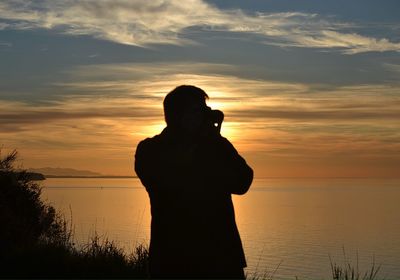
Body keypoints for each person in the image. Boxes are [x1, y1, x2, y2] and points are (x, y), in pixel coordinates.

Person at [134, 85, 253, 279]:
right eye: (198, 110)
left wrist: (216, 139)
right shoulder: (150, 150)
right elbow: (173, 182)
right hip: (175, 262)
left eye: (205, 110)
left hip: (222, 262)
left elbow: (243, 182)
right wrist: (206, 144)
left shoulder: (214, 145)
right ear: (178, 115)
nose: (205, 116)